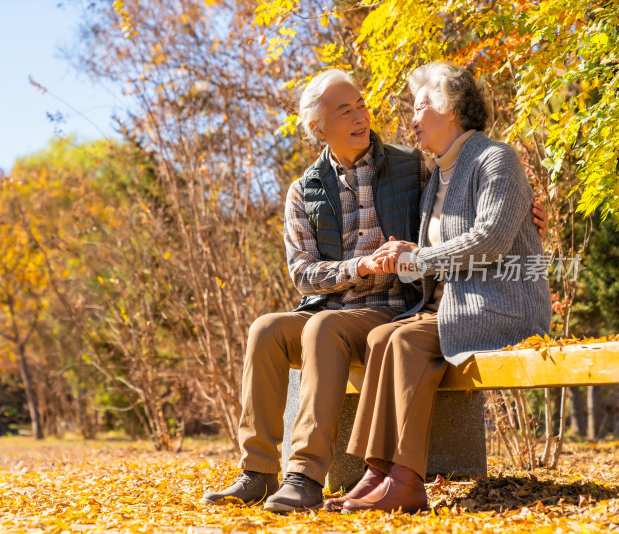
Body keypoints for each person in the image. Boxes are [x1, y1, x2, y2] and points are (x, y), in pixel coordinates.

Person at [200, 68, 547, 513]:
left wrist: (529, 214)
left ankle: (305, 474)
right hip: (331, 303)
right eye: (345, 111)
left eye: (361, 105)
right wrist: (358, 266)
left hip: (391, 306)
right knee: (266, 329)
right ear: (318, 128)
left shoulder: (410, 166)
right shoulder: (303, 191)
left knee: (327, 329)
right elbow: (303, 274)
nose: (361, 116)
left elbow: (474, 208)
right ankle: (259, 471)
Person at [323, 62, 552, 514]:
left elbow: (489, 239)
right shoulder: (438, 178)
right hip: (457, 306)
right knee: (381, 336)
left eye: (420, 105)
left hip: (503, 305)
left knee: (404, 338)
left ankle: (406, 479)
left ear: (449, 108)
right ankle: (378, 469)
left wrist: (420, 257)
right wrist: (406, 253)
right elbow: (442, 252)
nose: (412, 117)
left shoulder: (494, 159)